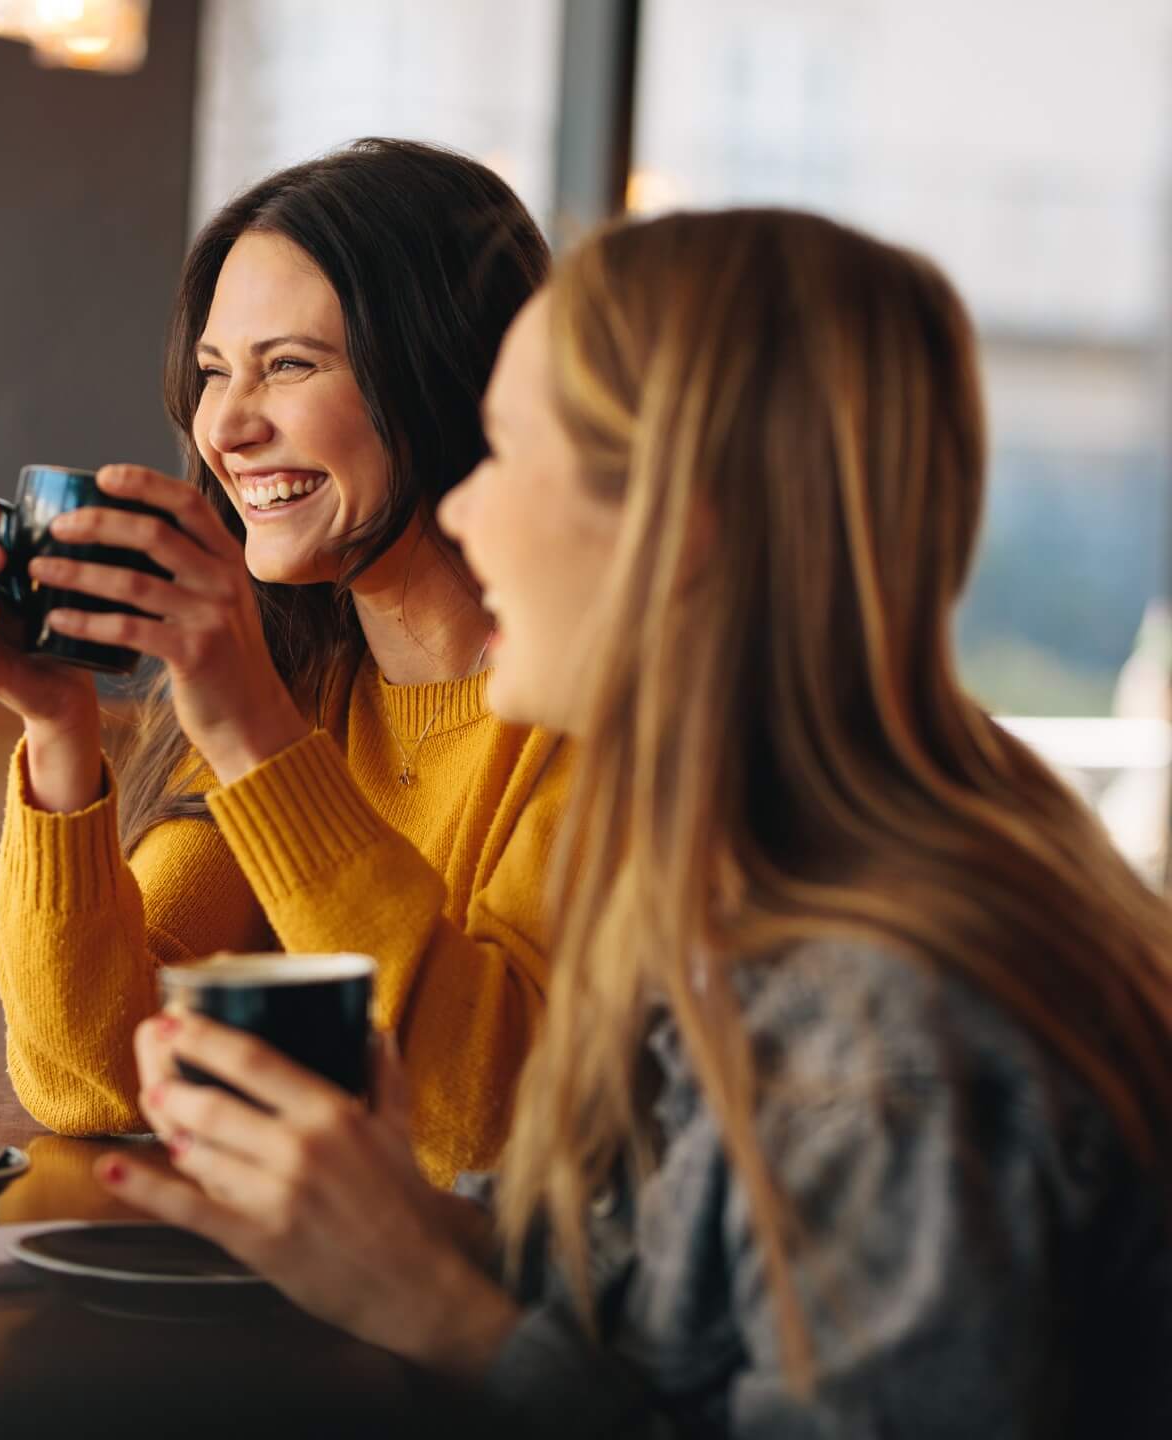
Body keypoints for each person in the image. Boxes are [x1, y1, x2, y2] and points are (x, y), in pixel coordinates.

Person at [108, 208, 1172, 1433]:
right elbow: (664, 1322)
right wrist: (404, 1226)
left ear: (680, 522)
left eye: (504, 456)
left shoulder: (886, 1032)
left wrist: (430, 1303)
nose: (461, 515)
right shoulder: (755, 897)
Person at [0, 140, 571, 1185]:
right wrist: (57, 727)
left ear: (447, 377)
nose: (226, 428)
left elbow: (476, 1128)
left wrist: (254, 729)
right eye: (214, 373)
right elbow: (98, 1078)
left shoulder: (587, 716)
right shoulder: (302, 686)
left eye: (289, 365)